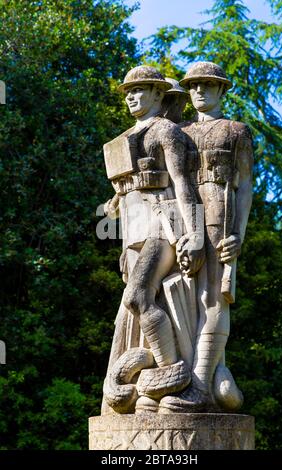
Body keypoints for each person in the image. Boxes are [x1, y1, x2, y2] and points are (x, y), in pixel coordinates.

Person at [102, 66, 204, 414]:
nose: (131, 96)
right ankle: (151, 380)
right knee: (137, 305)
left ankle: (174, 376)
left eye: (140, 90)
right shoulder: (124, 137)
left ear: (158, 95)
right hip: (133, 229)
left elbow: (183, 185)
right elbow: (124, 199)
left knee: (138, 295)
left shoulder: (166, 131)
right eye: (128, 91)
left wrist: (195, 235)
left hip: (166, 221)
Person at [159, 61, 253, 413]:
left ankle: (200, 384)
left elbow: (244, 189)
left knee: (213, 299)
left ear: (221, 90)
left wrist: (238, 237)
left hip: (218, 218)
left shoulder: (236, 131)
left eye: (207, 85)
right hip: (182, 220)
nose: (199, 90)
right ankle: (198, 375)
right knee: (179, 298)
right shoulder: (176, 131)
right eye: (194, 85)